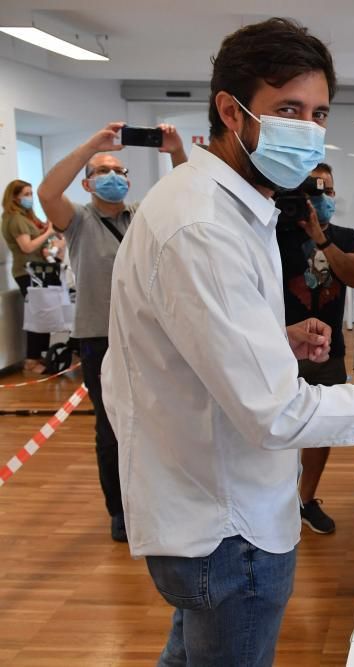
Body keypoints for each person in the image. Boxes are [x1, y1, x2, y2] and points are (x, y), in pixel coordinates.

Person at [101, 18, 354, 666]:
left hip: (198, 506)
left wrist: (270, 340)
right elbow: (278, 415)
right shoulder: (202, 227)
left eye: (319, 112)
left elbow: (188, 341)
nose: (308, 128)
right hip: (228, 527)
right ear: (230, 110)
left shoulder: (217, 205)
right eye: (288, 109)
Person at [37, 122, 187, 543]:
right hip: (99, 337)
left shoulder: (139, 216)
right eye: (104, 170)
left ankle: (157, 499)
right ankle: (120, 509)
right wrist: (92, 145)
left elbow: (182, 195)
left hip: (148, 334)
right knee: (111, 425)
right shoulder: (78, 221)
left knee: (159, 420)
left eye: (120, 171)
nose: (114, 177)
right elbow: (48, 193)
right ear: (87, 183)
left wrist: (175, 150)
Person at [276, 162, 354, 535]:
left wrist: (321, 237)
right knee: (275, 429)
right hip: (279, 348)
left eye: (327, 190)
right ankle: (275, 503)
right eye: (312, 191)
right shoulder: (274, 233)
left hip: (329, 350)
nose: (321, 197)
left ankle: (305, 500)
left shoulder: (345, 236)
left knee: (321, 430)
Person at [1, 179, 65, 374]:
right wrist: (49, 232)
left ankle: (40, 355)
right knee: (37, 315)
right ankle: (32, 358)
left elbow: (41, 245)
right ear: (15, 197)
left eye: (31, 194)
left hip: (41, 270)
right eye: (26, 194)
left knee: (43, 315)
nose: (30, 198)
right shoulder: (15, 219)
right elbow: (27, 247)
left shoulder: (28, 218)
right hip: (28, 272)